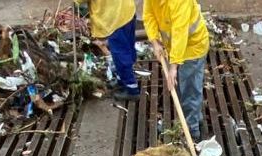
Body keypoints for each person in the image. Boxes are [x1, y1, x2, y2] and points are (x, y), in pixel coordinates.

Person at [144, 0, 210, 142]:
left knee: (189, 91)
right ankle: (195, 120)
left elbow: (180, 32)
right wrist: (155, 42)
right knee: (181, 89)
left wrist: (173, 67)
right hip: (174, 47)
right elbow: (149, 15)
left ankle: (192, 133)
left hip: (193, 48)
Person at [90, 0, 140, 101]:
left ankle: (132, 89)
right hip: (126, 11)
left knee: (120, 54)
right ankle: (122, 79)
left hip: (114, 18)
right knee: (128, 48)